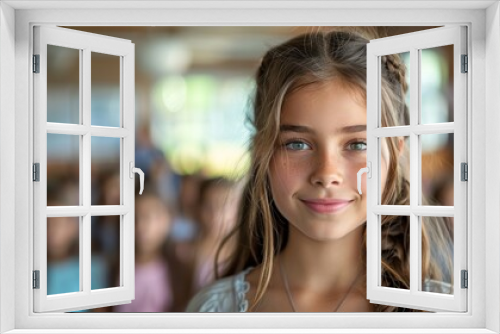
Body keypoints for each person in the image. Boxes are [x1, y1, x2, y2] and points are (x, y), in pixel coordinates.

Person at [186, 29, 453, 313]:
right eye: (297, 144)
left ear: (396, 152)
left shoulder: (440, 313)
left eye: (358, 143)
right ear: (261, 152)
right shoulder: (214, 310)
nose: (327, 173)